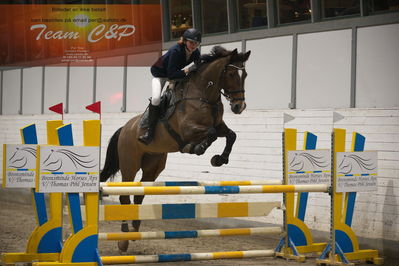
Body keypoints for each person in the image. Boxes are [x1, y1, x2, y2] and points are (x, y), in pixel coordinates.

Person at [138, 28, 202, 145]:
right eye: (191, 42)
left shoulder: (196, 53)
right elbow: (171, 74)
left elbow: (199, 65)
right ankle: (149, 132)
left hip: (176, 74)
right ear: (184, 41)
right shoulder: (175, 51)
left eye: (196, 43)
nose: (194, 45)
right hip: (160, 74)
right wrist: (188, 69)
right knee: (156, 99)